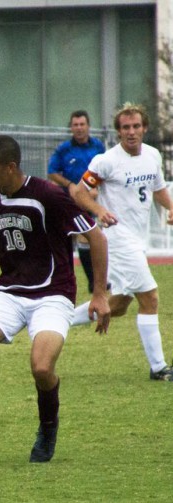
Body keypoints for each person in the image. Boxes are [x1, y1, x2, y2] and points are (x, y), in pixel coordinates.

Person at [0, 135, 110, 467]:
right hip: (9, 292)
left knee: (41, 367)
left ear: (11, 167)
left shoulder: (48, 196)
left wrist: (98, 294)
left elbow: (95, 236)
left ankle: (48, 427)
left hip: (53, 294)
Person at [70, 103, 173, 381]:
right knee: (150, 297)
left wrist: (171, 206)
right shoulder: (106, 161)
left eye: (136, 126)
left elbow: (158, 189)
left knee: (117, 306)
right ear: (118, 132)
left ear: (144, 128)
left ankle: (57, 321)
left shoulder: (152, 156)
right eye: (125, 127)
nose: (131, 132)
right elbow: (79, 192)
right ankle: (159, 368)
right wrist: (99, 210)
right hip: (117, 239)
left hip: (138, 239)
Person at [48, 110, 106, 293]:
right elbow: (52, 172)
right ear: (71, 127)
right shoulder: (64, 149)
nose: (79, 128)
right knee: (71, 239)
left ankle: (94, 280)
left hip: (92, 201)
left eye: (82, 124)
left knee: (89, 236)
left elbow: (106, 170)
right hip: (69, 202)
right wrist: (70, 185)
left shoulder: (98, 147)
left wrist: (96, 188)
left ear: (88, 126)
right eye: (75, 125)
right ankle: (63, 279)